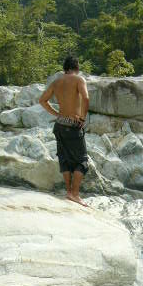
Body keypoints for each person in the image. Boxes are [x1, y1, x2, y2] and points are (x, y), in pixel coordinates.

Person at [39, 55, 90, 206]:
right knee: (82, 161)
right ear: (77, 67)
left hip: (59, 124)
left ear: (65, 68)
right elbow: (86, 98)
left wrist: (56, 114)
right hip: (73, 125)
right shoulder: (79, 80)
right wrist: (82, 118)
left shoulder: (57, 82)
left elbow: (42, 100)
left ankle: (69, 191)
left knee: (65, 159)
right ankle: (74, 194)